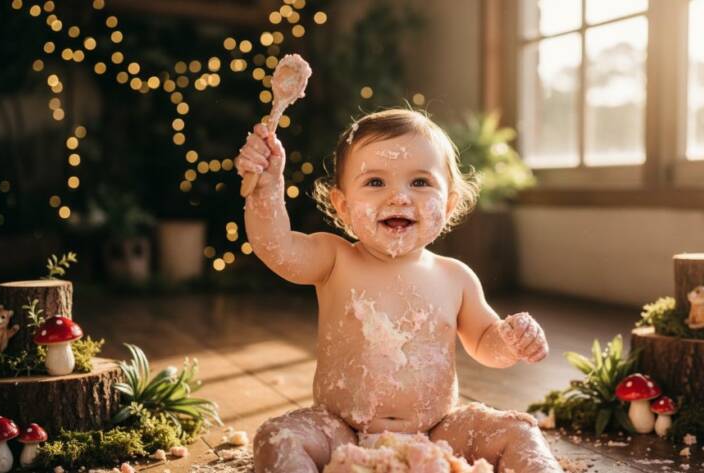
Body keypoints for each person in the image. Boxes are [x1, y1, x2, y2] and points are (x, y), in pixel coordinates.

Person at [236, 109, 561, 472]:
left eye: (420, 182)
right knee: (278, 437)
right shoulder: (334, 258)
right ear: (342, 206)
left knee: (519, 432)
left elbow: (485, 343)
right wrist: (266, 187)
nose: (399, 197)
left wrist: (509, 340)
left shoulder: (455, 276)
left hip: (438, 433)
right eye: (375, 182)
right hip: (340, 431)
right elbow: (276, 246)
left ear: (449, 203)